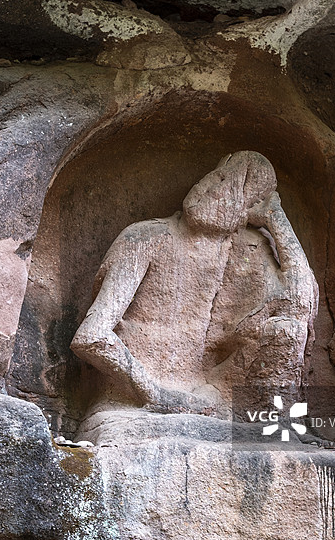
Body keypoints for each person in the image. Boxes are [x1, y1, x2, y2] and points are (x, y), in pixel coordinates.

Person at [71, 151, 318, 417]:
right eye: (214, 176)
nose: (208, 186)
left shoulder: (243, 251)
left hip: (207, 399)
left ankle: (274, 430)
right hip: (134, 401)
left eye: (227, 184)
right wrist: (155, 393)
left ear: (247, 211)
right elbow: (91, 336)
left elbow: (299, 305)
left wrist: (277, 221)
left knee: (287, 330)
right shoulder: (146, 237)